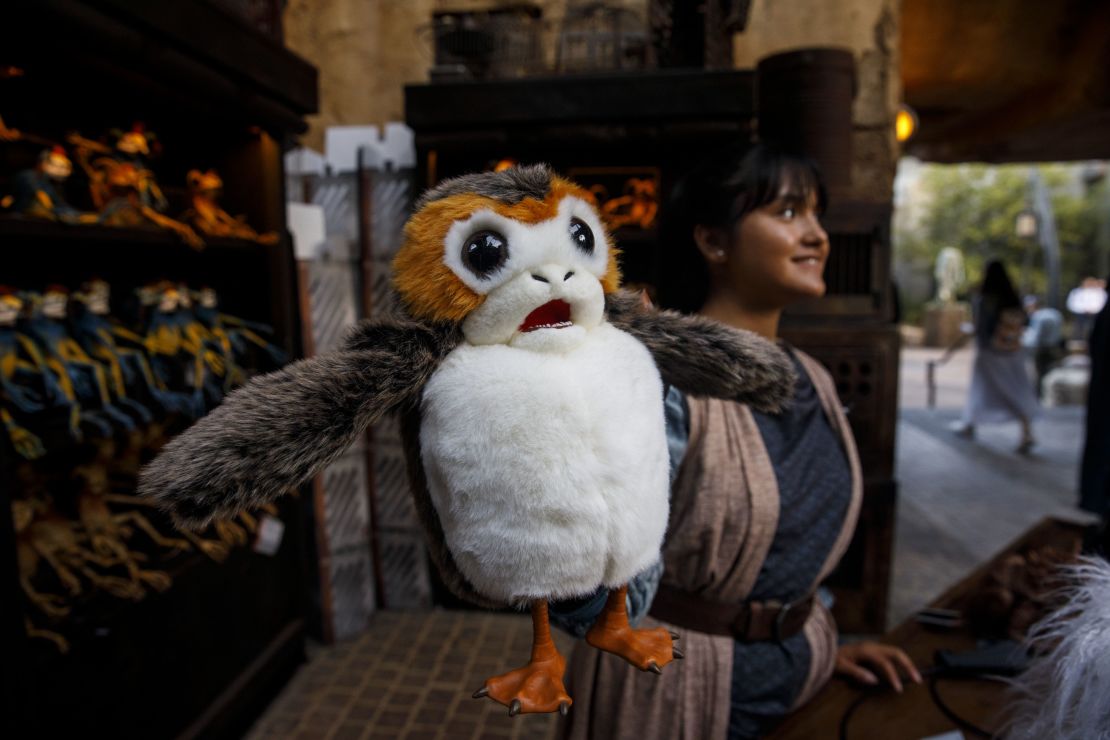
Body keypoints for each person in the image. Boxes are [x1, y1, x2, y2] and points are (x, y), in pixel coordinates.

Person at [553, 144, 919, 740]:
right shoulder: (663, 384)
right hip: (670, 695)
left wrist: (808, 640)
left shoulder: (815, 380)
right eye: (788, 213)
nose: (817, 236)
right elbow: (584, 575)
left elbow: (791, 555)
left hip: (795, 680)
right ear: (714, 242)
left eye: (817, 215)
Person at [952, 261, 1040, 453]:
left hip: (990, 353)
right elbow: (1026, 321)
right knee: (1014, 389)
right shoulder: (1012, 298)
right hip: (1013, 352)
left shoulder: (985, 299)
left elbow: (981, 326)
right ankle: (1025, 430)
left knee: (982, 388)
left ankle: (969, 424)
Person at [1021, 294, 1064, 399]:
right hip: (1054, 347)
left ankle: (1039, 397)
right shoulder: (1055, 313)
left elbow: (1035, 338)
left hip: (1041, 349)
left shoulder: (1038, 317)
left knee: (1039, 375)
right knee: (1050, 373)